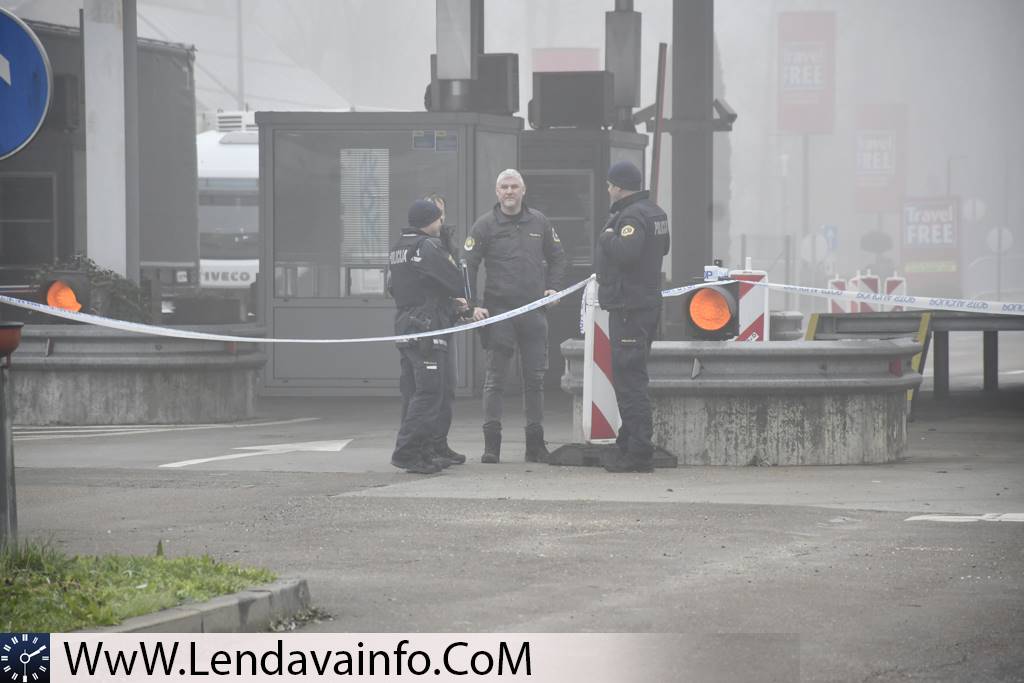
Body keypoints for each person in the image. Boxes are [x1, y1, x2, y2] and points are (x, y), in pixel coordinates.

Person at [463, 169, 566, 464]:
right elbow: (468, 264)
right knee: (495, 380)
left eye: (514, 187)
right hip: (499, 313)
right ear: (497, 192)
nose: (509, 192)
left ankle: (535, 446)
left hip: (534, 312)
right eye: (504, 187)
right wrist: (472, 305)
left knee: (534, 380)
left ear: (523, 190)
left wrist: (554, 288)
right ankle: (491, 447)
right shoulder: (484, 225)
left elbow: (558, 257)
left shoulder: (539, 222)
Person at [388, 199, 474, 474]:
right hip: (425, 328)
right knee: (429, 393)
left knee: (417, 391)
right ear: (430, 221)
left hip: (407, 324)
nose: (441, 223)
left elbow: (395, 287)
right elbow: (454, 280)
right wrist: (458, 300)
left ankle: (424, 452)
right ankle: (407, 453)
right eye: (439, 219)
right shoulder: (427, 246)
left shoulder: (399, 247)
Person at [594, 161, 670, 473]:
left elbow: (626, 253)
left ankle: (638, 452)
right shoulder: (655, 212)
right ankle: (627, 442)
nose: (608, 190)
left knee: (629, 380)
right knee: (632, 375)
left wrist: (606, 237)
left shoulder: (630, 217)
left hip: (630, 307)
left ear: (619, 186)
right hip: (645, 305)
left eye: (610, 184)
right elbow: (663, 249)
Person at [421, 193, 485, 466]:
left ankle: (440, 443)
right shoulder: (421, 246)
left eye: (440, 211)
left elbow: (458, 280)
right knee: (428, 390)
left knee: (448, 387)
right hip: (427, 326)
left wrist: (465, 306)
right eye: (431, 212)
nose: (437, 217)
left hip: (445, 323)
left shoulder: (447, 242)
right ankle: (424, 447)